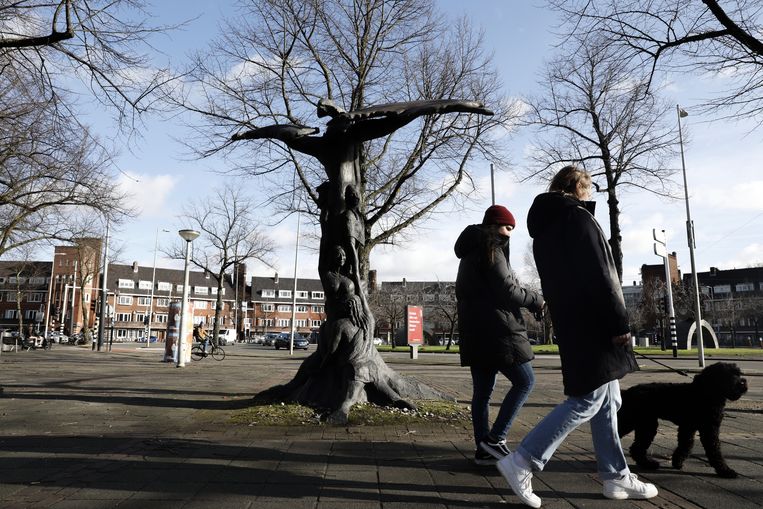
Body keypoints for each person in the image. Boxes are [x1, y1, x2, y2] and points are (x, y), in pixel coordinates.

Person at [497, 166, 657, 507]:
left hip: (573, 321)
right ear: (580, 188)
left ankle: (615, 476)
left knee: (609, 400)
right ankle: (523, 459)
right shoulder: (580, 220)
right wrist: (619, 322)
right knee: (588, 399)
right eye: (590, 188)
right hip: (595, 322)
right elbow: (603, 274)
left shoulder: (544, 231)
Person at [455, 204, 544, 466]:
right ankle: (495, 439)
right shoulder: (491, 249)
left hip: (475, 332)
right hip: (499, 330)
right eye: (507, 227)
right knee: (525, 381)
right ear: (493, 226)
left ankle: (484, 449)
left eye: (512, 229)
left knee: (482, 392)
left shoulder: (469, 253)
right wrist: (536, 300)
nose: (510, 233)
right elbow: (508, 290)